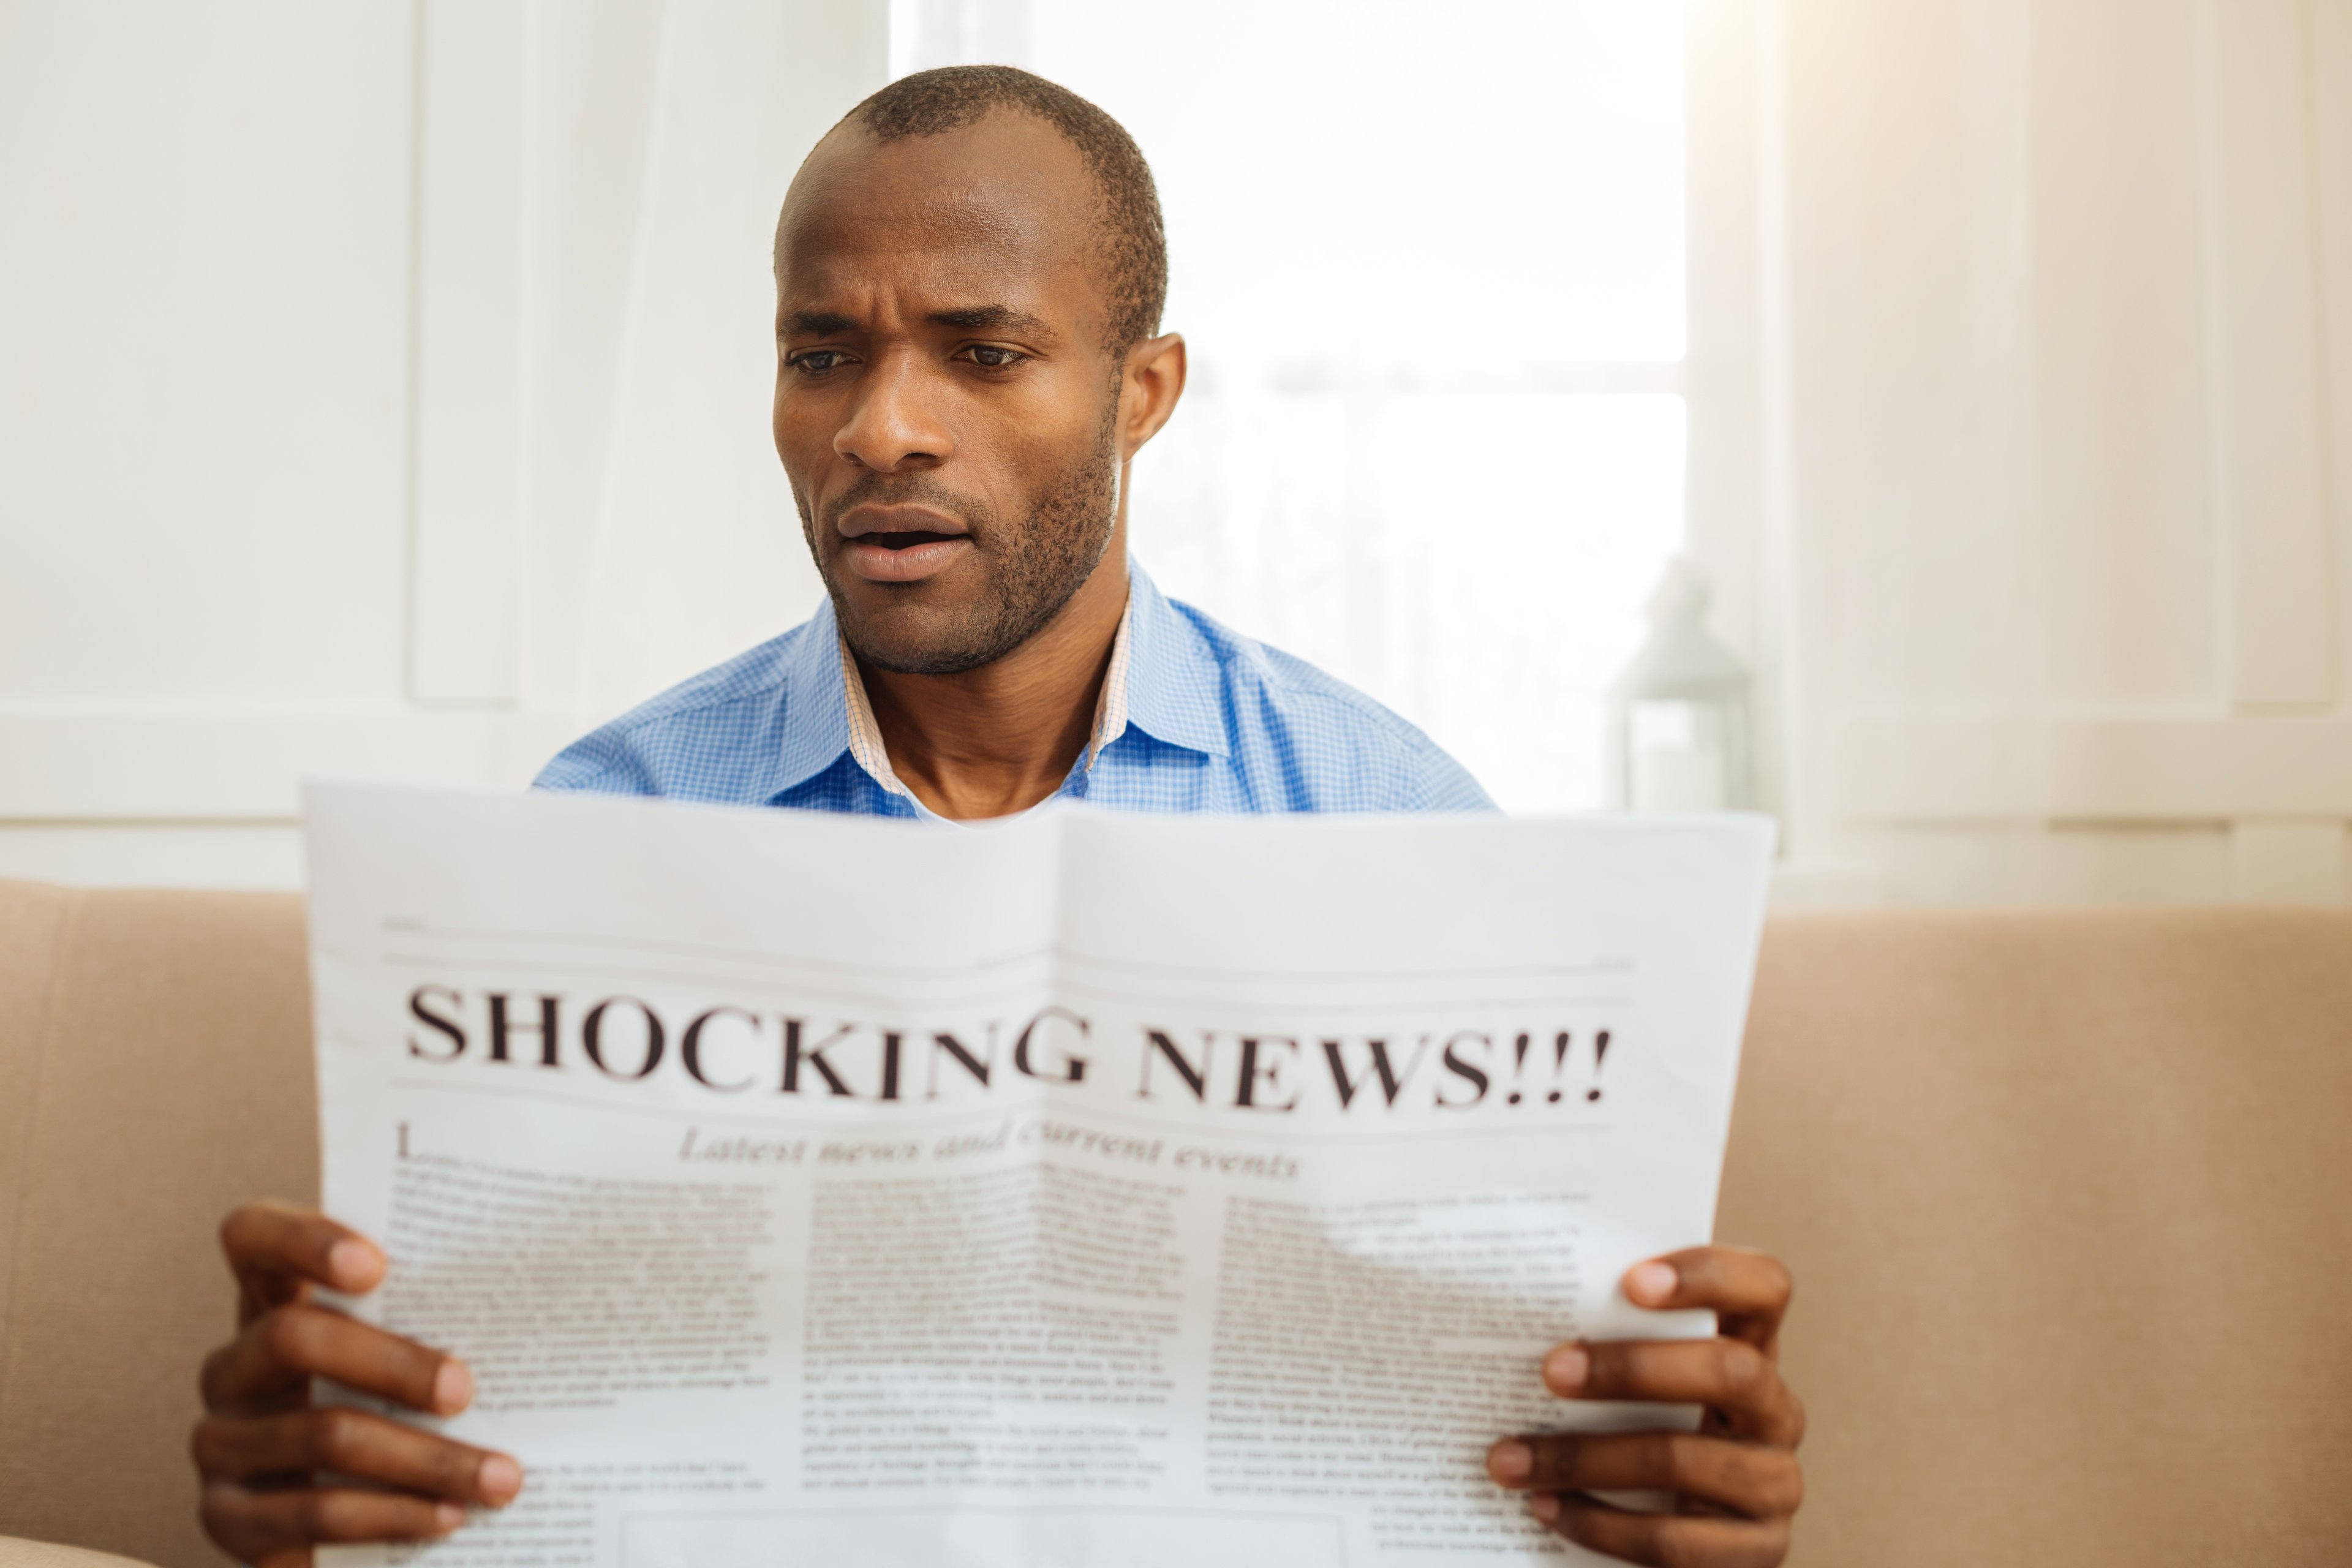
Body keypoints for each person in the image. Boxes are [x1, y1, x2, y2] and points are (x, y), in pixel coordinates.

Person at [192, 66, 1804, 1567]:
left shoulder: (1389, 820)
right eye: (821, 352)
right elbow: (470, 1400)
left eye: (985, 350)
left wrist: (1667, 1473)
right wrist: (328, 1470)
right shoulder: (609, 823)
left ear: (1144, 391)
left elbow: (1550, 1396)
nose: (878, 427)